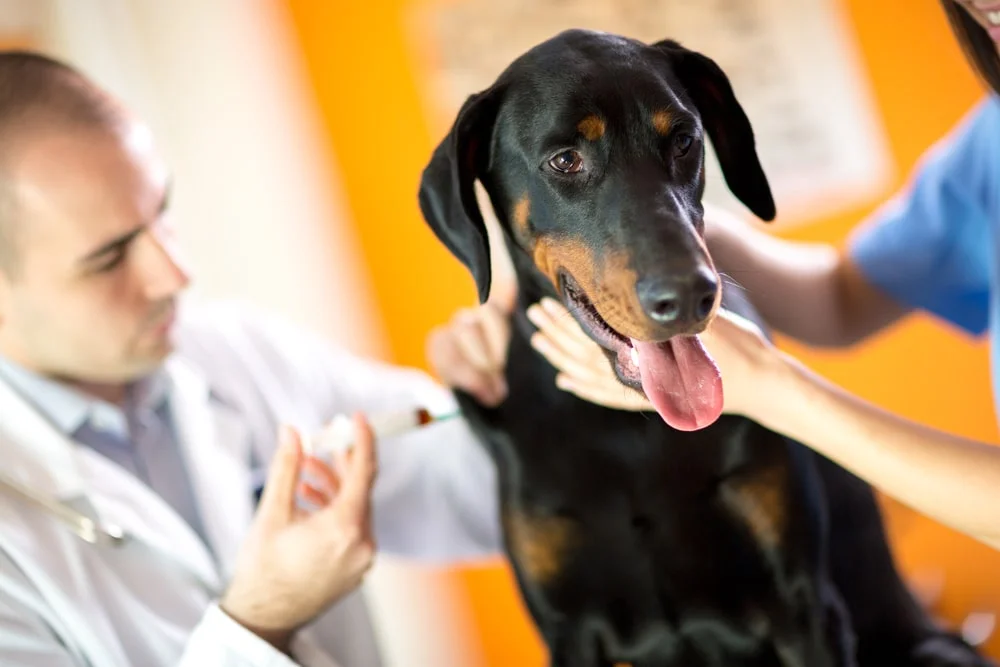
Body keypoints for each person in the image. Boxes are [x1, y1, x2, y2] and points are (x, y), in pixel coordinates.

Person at [429, 0, 1000, 554]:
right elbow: (841, 300)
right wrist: (657, 253)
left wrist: (773, 388)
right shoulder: (988, 146)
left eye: (681, 142)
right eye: (565, 163)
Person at [0, 51, 505, 666]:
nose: (173, 274)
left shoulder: (239, 352)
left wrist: (503, 393)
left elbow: (475, 492)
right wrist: (261, 624)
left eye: (161, 213)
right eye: (109, 260)